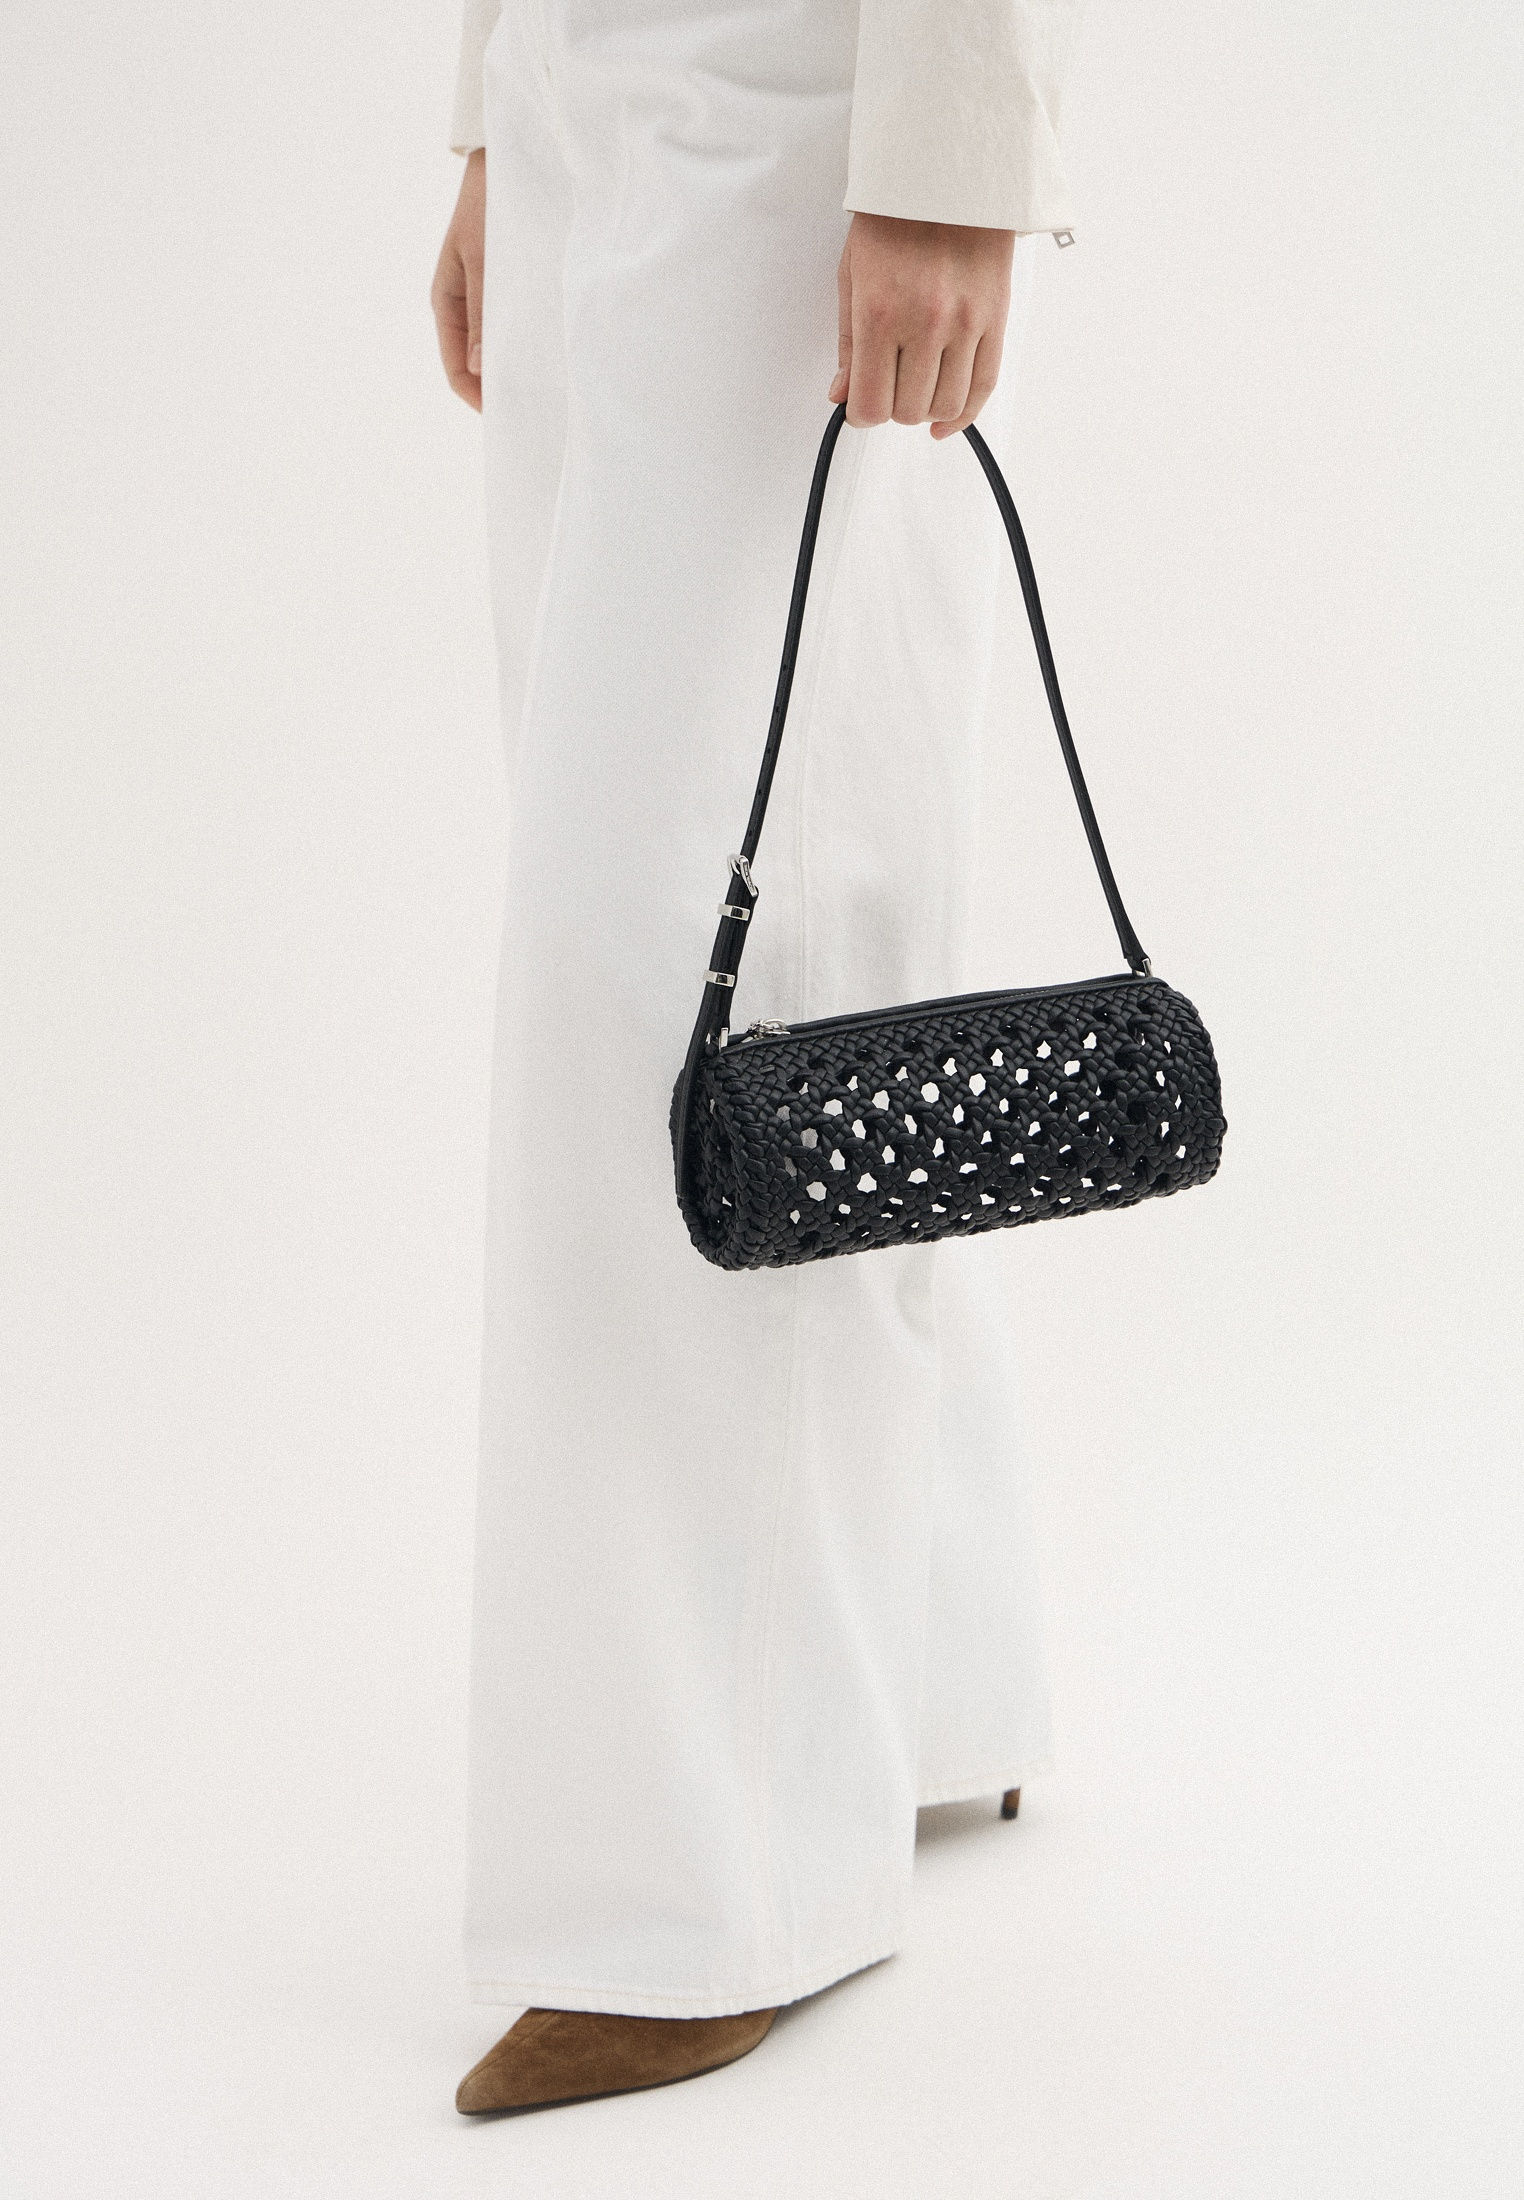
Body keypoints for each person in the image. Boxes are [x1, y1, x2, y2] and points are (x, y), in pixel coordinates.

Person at [431, 0, 1081, 2116]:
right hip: (590, 82)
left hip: (796, 94)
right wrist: (499, 106)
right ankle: (926, 1674)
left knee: (678, 985)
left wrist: (957, 148)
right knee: (760, 922)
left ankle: (707, 1883)